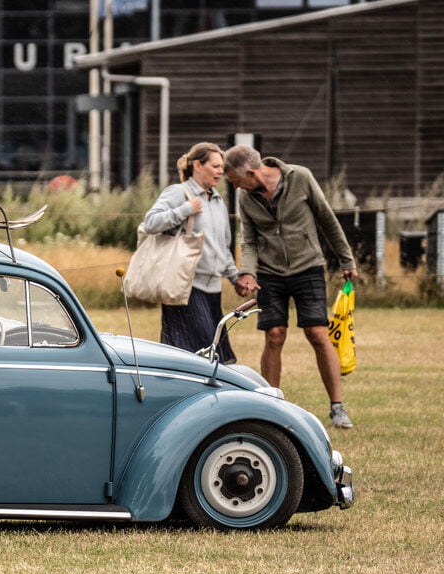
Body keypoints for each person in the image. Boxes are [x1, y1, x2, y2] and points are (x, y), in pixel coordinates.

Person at [223, 145, 359, 429]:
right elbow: (248, 240)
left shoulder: (301, 178)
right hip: (270, 273)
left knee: (317, 334)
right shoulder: (245, 197)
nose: (236, 187)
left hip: (308, 266)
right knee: (274, 335)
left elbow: (327, 220)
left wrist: (346, 258)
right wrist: (247, 272)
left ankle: (337, 408)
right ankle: (271, 406)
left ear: (251, 172)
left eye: (237, 181)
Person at [140, 142, 239, 362]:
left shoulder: (218, 201)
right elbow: (150, 223)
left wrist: (235, 277)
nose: (221, 171)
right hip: (185, 288)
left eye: (221, 166)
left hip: (212, 290)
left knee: (212, 356)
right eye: (215, 166)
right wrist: (185, 209)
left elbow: (223, 246)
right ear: (197, 165)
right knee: (198, 357)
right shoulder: (178, 193)